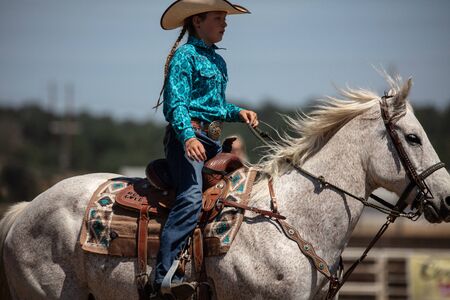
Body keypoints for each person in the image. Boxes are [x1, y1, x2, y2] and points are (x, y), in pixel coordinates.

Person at [151, 0, 259, 298]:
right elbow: (176, 105)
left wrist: (238, 113)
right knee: (189, 197)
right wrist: (188, 137)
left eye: (225, 18)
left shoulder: (218, 61)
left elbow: (214, 106)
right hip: (188, 140)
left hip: (210, 140)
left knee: (236, 196)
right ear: (197, 21)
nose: (225, 24)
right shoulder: (184, 56)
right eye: (218, 18)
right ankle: (163, 276)